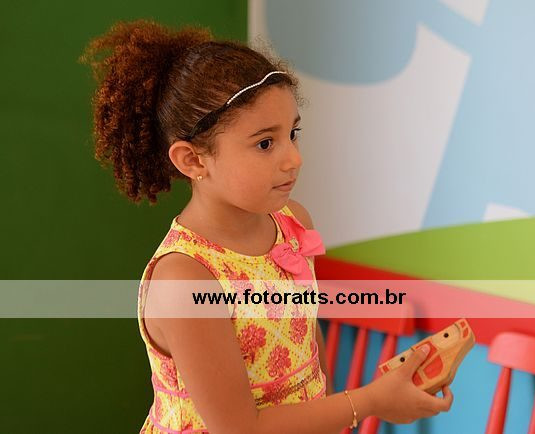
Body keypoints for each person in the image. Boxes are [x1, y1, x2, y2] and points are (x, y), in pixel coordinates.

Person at [79, 18, 453, 434]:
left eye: (293, 133)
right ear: (193, 160)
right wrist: (371, 401)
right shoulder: (185, 279)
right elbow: (241, 428)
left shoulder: (293, 222)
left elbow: (308, 346)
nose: (294, 158)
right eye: (265, 143)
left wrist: (338, 410)